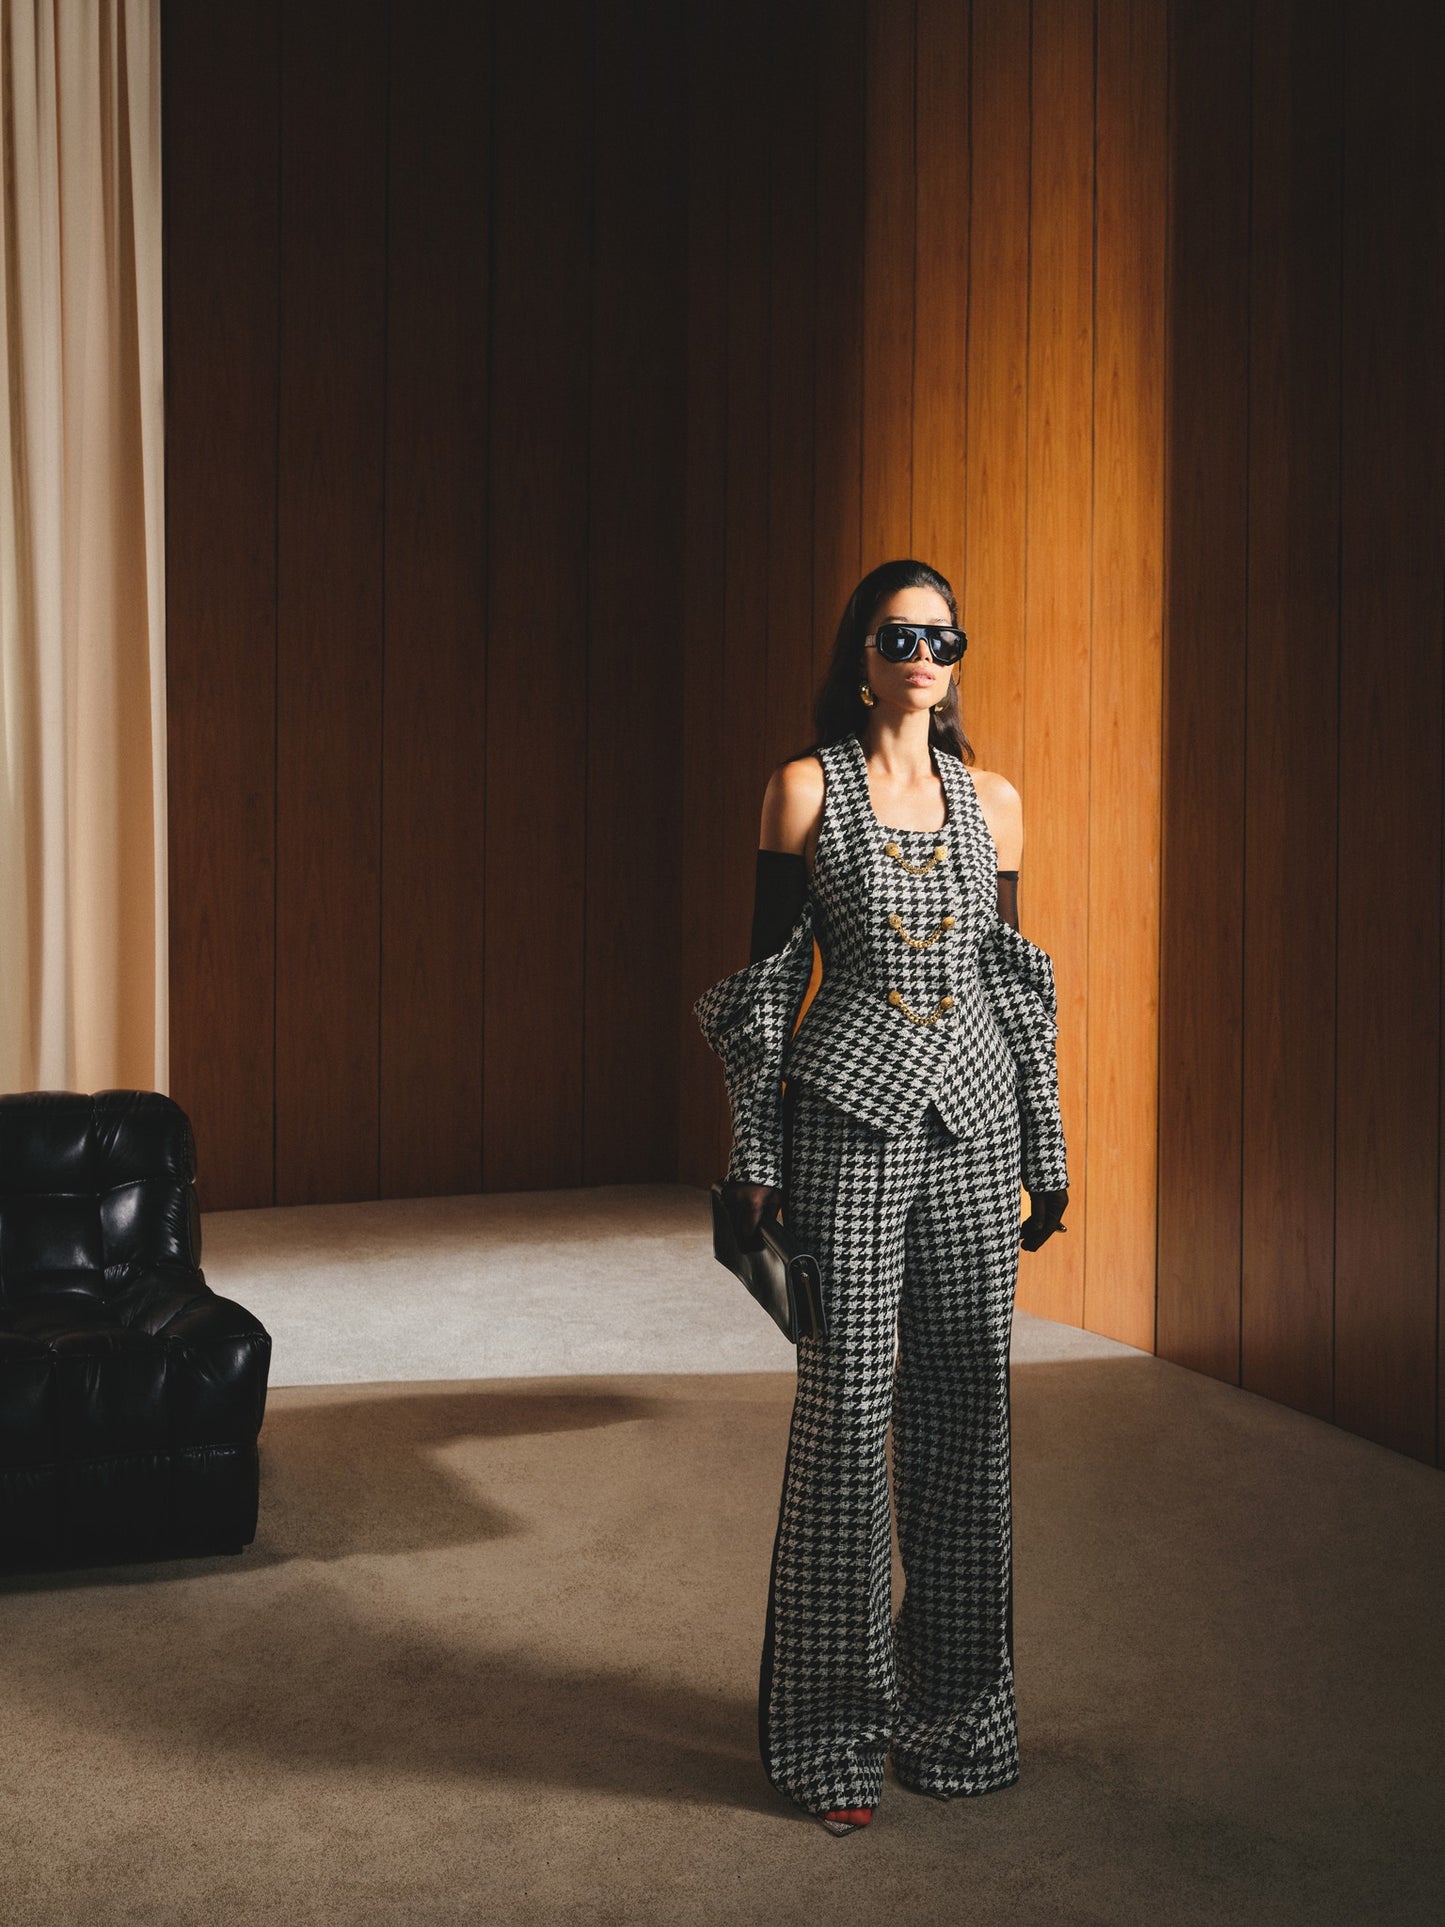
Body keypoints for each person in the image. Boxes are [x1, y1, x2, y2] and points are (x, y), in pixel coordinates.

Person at [693, 558, 1069, 1836]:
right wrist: (754, 1154)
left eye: (941, 638)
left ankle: (955, 1716)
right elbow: (762, 990)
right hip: (844, 1123)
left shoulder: (994, 802)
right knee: (848, 1419)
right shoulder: (804, 788)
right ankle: (828, 1731)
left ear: (957, 658)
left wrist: (1045, 1144)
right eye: (897, 636)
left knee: (967, 1423)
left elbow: (1014, 984)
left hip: (974, 1125)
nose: (921, 656)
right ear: (858, 653)